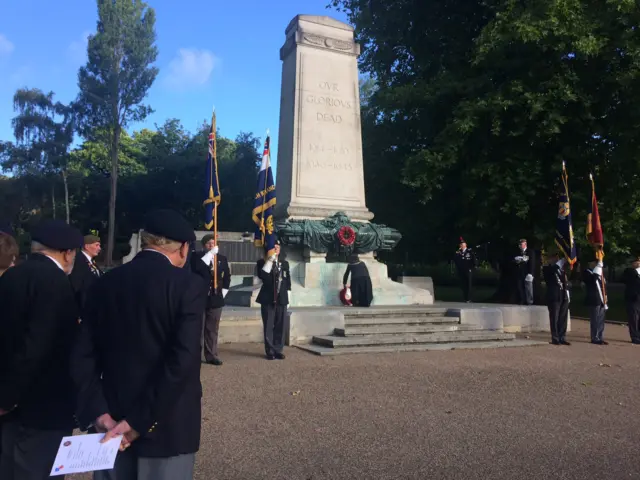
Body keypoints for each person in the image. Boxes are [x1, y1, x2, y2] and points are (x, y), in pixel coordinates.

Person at [71, 209, 206, 480]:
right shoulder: (188, 285)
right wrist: (138, 422)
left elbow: (83, 355)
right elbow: (183, 361)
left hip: (110, 421)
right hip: (167, 425)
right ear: (183, 248)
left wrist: (99, 413)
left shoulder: (104, 283)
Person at [0, 219, 83, 480]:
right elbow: (37, 345)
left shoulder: (12, 275)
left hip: (9, 397)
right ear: (68, 253)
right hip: (43, 402)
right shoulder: (56, 282)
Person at [190, 233, 231, 366]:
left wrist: (223, 291)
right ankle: (194, 355)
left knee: (212, 329)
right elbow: (197, 268)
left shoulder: (222, 259)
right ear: (204, 245)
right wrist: (210, 254)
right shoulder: (197, 257)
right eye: (208, 243)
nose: (211, 245)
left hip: (216, 297)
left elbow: (226, 277)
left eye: (213, 243)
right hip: (200, 297)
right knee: (198, 329)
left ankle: (212, 355)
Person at [256, 241, 290, 360]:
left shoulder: (284, 263)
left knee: (280, 325)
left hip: (282, 298)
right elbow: (263, 276)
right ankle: (270, 350)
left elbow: (287, 281)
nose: (277, 250)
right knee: (269, 325)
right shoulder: (262, 263)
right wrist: (270, 260)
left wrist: (288, 297)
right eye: (274, 247)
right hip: (268, 298)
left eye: (278, 247)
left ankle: (278, 349)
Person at [542, 251, 571, 345]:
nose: (556, 259)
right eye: (553, 257)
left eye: (557, 257)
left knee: (563, 317)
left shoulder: (561, 270)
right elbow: (552, 271)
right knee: (554, 317)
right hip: (554, 296)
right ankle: (555, 337)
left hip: (563, 295)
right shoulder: (547, 268)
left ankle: (562, 336)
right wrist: (559, 263)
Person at [69, 233, 103, 312]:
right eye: (97, 245)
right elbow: (76, 286)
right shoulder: (78, 261)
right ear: (87, 246)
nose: (99, 248)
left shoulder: (91, 261)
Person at [582, 259, 608, 345]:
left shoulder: (600, 273)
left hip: (601, 299)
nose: (596, 264)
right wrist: (597, 270)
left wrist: (605, 296)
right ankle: (594, 337)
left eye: (597, 263)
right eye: (595, 262)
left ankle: (600, 336)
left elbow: (603, 285)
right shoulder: (587, 272)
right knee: (595, 319)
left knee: (601, 319)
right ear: (590, 263)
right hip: (594, 299)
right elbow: (592, 280)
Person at [621, 256, 640, 344]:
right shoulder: (629, 272)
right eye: (636, 262)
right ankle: (635, 337)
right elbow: (624, 280)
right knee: (633, 318)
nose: (638, 263)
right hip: (633, 298)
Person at [513, 238, 535, 305]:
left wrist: (531, 273)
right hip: (520, 272)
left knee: (528, 288)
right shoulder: (518, 252)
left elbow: (532, 263)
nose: (520, 246)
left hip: (527, 272)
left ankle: (529, 301)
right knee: (520, 287)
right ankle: (522, 300)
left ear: (525, 244)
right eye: (519, 244)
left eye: (521, 244)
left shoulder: (530, 252)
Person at [453, 237, 475, 303]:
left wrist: (471, 268)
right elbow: (456, 260)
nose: (461, 245)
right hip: (461, 271)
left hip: (468, 271)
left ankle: (469, 298)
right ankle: (465, 297)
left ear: (465, 245)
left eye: (462, 244)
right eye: (460, 244)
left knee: (468, 284)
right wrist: (457, 253)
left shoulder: (470, 252)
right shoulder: (458, 253)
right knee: (463, 284)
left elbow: (473, 261)